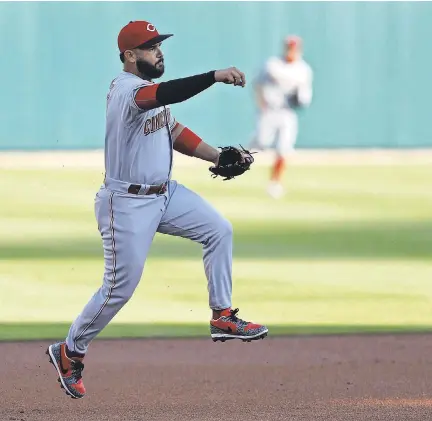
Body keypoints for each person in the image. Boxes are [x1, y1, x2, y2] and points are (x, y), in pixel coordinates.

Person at [45, 20, 268, 400]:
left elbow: (173, 128)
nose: (159, 51)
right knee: (118, 289)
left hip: (165, 195)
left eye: (159, 44)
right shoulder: (127, 91)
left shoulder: (151, 96)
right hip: (127, 204)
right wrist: (214, 76)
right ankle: (69, 352)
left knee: (219, 229)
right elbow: (168, 96)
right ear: (130, 56)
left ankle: (222, 316)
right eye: (150, 47)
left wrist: (216, 156)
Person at [250, 35, 313, 199]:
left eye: (294, 48)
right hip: (269, 111)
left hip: (287, 112)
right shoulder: (273, 65)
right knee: (261, 144)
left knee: (284, 149)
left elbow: (305, 97)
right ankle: (234, 162)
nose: (291, 50)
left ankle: (275, 182)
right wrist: (261, 104)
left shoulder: (303, 70)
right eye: (289, 47)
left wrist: (301, 100)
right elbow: (258, 84)